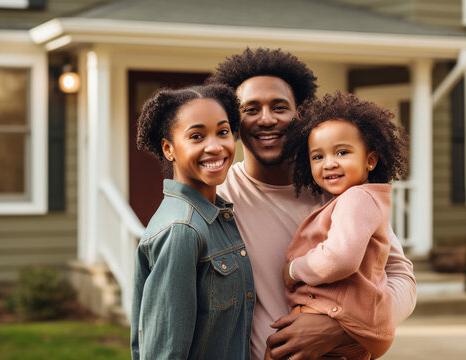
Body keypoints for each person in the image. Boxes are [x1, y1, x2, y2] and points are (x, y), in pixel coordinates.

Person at [207, 48, 417, 360]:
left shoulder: (340, 190)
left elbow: (402, 279)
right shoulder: (218, 195)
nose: (267, 119)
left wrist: (340, 327)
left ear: (299, 114)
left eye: (279, 107)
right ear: (234, 119)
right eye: (251, 109)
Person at [275, 92, 409, 360]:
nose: (330, 163)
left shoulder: (357, 198)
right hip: (344, 324)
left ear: (370, 160)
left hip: (336, 318)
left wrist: (293, 270)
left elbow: (339, 259)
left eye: (342, 152)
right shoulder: (353, 201)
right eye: (318, 157)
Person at [130, 84, 256, 360]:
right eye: (197, 136)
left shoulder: (216, 216)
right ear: (169, 148)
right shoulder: (181, 230)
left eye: (223, 132)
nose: (215, 146)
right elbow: (164, 352)